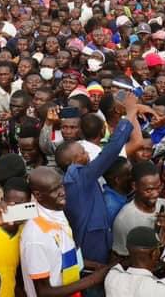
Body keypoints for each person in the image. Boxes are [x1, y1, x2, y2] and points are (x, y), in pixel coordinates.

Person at [58, 90, 140, 265]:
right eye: (82, 153)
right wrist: (131, 113)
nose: (86, 152)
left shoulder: (75, 176)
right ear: (73, 161)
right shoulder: (80, 176)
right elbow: (112, 149)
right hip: (92, 246)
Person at [21, 166, 110, 297]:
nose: (62, 192)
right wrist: (93, 279)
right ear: (38, 195)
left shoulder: (55, 210)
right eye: (54, 190)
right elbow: (44, 292)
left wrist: (96, 266)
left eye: (61, 186)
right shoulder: (36, 237)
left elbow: (61, 257)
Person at [111, 161, 165, 256]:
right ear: (135, 186)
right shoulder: (124, 220)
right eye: (149, 190)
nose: (156, 194)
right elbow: (120, 258)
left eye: (158, 187)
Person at [105, 226, 165, 297]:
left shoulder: (112, 278)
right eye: (159, 249)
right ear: (154, 254)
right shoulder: (162, 290)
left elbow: (119, 266)